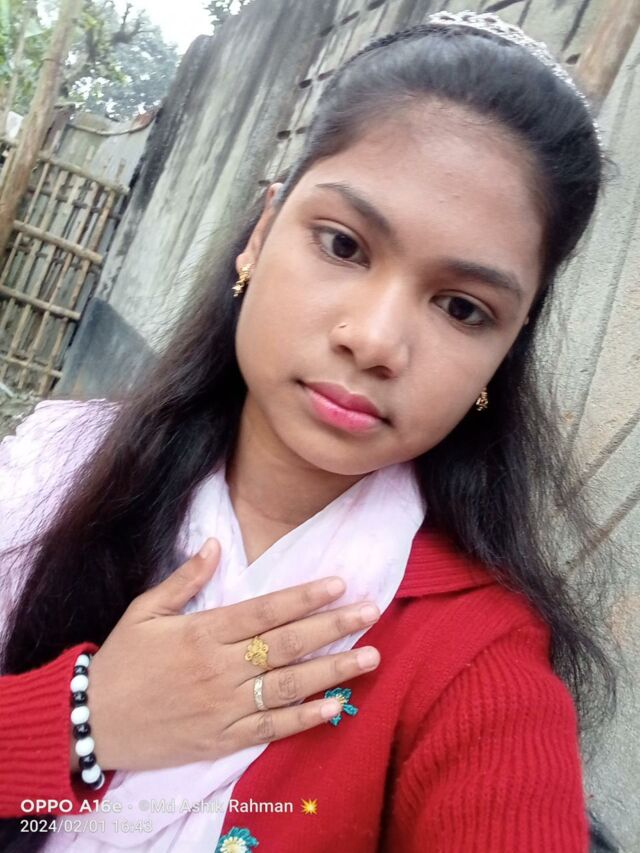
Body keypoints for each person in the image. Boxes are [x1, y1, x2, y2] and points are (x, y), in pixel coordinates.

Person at [0, 10, 622, 853]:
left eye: (461, 307)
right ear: (260, 235)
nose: (375, 340)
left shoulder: (478, 663)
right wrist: (83, 720)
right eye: (343, 245)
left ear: (504, 352)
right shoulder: (53, 470)